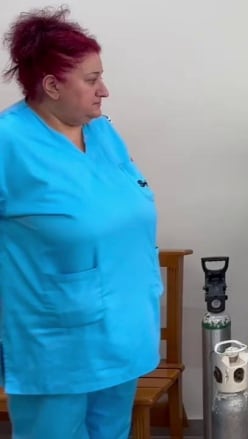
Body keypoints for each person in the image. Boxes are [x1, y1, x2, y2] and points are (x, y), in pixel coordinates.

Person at [0, 6, 163, 438]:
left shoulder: (101, 132)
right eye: (91, 80)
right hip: (55, 343)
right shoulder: (8, 143)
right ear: (52, 85)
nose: (104, 90)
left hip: (123, 330)